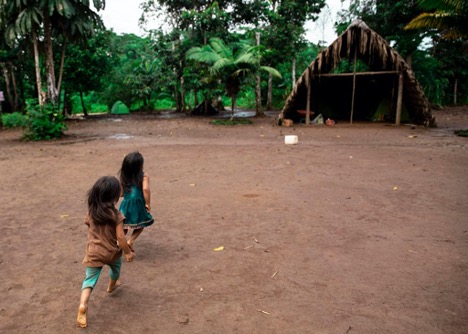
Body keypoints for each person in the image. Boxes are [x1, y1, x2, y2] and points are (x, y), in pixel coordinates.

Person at [77, 176, 134, 328]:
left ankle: (83, 304)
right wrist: (127, 252)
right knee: (115, 271)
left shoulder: (91, 213)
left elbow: (90, 226)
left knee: (89, 280)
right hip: (111, 253)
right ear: (114, 197)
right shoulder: (117, 215)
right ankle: (111, 287)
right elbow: (121, 238)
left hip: (94, 252)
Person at [119, 151, 154, 254]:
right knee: (142, 222)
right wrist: (147, 203)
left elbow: (121, 193)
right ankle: (130, 241)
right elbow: (146, 189)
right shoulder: (144, 176)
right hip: (138, 204)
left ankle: (118, 241)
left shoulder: (124, 176)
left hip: (125, 205)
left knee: (123, 226)